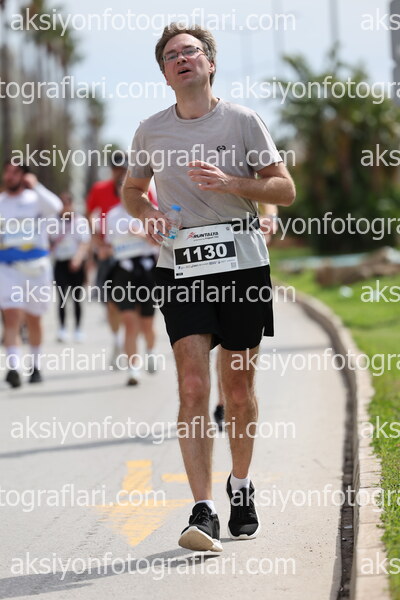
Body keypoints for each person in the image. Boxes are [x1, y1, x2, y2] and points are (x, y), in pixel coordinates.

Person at [122, 24, 295, 552]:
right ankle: (202, 509)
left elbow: (284, 189)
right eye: (171, 55)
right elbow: (133, 189)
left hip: (242, 266)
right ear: (165, 74)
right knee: (194, 387)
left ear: (209, 64)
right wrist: (148, 214)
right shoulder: (151, 130)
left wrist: (231, 183)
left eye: (190, 51)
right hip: (181, 267)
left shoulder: (242, 120)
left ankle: (240, 486)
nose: (181, 59)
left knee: (237, 390)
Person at [0, 161, 62, 387]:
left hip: (37, 268)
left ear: (25, 176)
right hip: (8, 268)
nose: (10, 176)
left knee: (34, 319)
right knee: (11, 316)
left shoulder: (36, 199)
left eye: (16, 172)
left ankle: (35, 366)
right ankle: (13, 367)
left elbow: (56, 206)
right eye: (7, 171)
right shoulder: (1, 202)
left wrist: (36, 186)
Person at [105, 203, 158, 385]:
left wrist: (140, 234)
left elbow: (162, 241)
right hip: (124, 270)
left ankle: (150, 351)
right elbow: (109, 244)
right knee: (129, 321)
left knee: (147, 323)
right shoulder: (113, 214)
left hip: (146, 269)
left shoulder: (152, 210)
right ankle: (133, 368)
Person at [86, 152, 127, 366]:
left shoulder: (141, 189)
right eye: (117, 168)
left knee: (137, 307)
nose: (121, 172)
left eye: (124, 168)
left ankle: (135, 348)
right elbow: (88, 214)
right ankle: (117, 342)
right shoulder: (100, 189)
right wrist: (97, 242)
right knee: (112, 304)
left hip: (136, 254)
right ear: (111, 170)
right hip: (109, 254)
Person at [50, 192, 91, 343]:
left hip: (76, 263)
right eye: (63, 203)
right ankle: (62, 328)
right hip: (60, 262)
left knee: (76, 298)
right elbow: (49, 240)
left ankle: (78, 329)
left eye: (68, 203)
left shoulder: (80, 221)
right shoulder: (52, 221)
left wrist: (78, 259)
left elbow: (85, 242)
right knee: (61, 297)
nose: (66, 207)